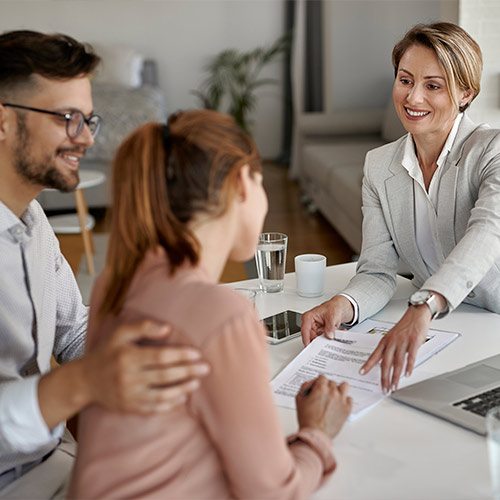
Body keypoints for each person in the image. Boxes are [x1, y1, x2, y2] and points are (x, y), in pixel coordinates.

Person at [68, 110, 352, 499]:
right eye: (262, 180)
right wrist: (316, 434)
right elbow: (274, 493)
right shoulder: (221, 313)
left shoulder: (111, 284)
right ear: (241, 183)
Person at [0, 30, 209, 499]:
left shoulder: (33, 220)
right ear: (3, 121)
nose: (87, 137)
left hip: (51, 459)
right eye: (68, 118)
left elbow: (74, 333)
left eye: (88, 119)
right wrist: (81, 383)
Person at [302, 22, 500, 394]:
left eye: (433, 86)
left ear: (465, 94)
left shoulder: (492, 150)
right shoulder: (379, 166)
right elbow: (377, 269)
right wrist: (343, 305)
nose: (413, 98)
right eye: (405, 80)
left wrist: (423, 305)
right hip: (445, 332)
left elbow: (489, 231)